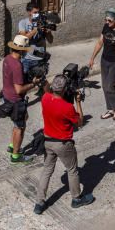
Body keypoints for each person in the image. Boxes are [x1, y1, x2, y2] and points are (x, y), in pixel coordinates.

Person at [35, 75, 95, 214]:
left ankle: (39, 202)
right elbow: (79, 122)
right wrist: (78, 102)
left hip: (48, 141)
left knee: (47, 170)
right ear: (64, 89)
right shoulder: (67, 107)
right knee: (72, 170)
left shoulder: (45, 98)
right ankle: (76, 198)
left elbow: (47, 89)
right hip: (63, 144)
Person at [88, 8, 115, 120]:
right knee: (104, 86)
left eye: (109, 20)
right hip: (105, 60)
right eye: (106, 20)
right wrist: (92, 57)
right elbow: (99, 42)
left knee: (109, 86)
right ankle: (111, 108)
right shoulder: (106, 27)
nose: (107, 22)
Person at [3, 34, 39, 164]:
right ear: (23, 50)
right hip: (16, 100)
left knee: (20, 120)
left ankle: (13, 145)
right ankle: (16, 156)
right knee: (20, 127)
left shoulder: (7, 59)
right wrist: (33, 83)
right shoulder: (17, 65)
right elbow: (19, 89)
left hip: (7, 96)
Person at [17, 1, 53, 76]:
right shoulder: (23, 23)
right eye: (35, 12)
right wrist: (36, 29)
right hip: (27, 59)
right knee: (25, 83)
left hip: (40, 60)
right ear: (29, 12)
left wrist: (48, 32)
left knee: (40, 83)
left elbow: (50, 41)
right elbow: (23, 40)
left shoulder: (42, 22)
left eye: (38, 12)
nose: (37, 14)